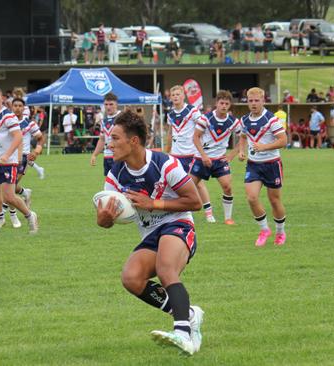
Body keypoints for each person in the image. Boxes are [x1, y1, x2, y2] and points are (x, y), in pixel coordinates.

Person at [97, 110, 203, 355]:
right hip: (151, 234)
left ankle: (183, 334)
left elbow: (194, 202)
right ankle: (188, 314)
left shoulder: (165, 164)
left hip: (179, 225)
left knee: (166, 268)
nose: (110, 144)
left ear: (133, 141)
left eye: (115, 138)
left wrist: (153, 204)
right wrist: (104, 219)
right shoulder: (115, 175)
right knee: (131, 278)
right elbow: (105, 221)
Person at [0, 88, 38, 237]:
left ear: (2, 99)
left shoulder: (8, 116)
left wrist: (7, 155)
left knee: (9, 197)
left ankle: (30, 215)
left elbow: (18, 137)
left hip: (8, 162)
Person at [238, 87, 287, 246]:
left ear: (263, 101)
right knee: (251, 198)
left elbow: (283, 140)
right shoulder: (244, 119)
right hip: (253, 165)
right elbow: (244, 137)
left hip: (272, 164)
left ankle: (280, 232)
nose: (253, 104)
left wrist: (264, 147)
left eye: (256, 100)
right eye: (250, 101)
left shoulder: (271, 119)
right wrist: (241, 151)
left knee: (274, 200)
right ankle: (264, 229)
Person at [190, 90, 241, 225]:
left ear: (230, 105)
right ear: (216, 103)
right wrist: (204, 155)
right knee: (188, 187)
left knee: (227, 187)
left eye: (226, 103)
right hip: (201, 159)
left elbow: (244, 137)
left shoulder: (233, 121)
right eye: (221, 103)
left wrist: (232, 154)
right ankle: (185, 216)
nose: (224, 106)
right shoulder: (205, 118)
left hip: (219, 160)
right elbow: (195, 137)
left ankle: (228, 218)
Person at [165, 85, 214, 222]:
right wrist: (167, 150)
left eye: (178, 94)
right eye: (173, 95)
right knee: (174, 184)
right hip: (176, 155)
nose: (175, 97)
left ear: (183, 96)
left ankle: (209, 213)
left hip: (191, 154)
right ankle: (180, 212)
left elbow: (203, 127)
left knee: (197, 184)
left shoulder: (192, 111)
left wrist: (204, 146)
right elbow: (170, 132)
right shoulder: (170, 114)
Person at [3, 98, 45, 227]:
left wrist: (36, 151)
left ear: (24, 108)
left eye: (20, 106)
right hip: (9, 158)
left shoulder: (29, 124)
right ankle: (25, 193)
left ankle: (11, 215)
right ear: (12, 107)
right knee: (11, 188)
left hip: (23, 158)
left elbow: (41, 138)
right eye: (15, 105)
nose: (17, 108)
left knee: (10, 188)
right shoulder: (6, 122)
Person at [90, 93, 121, 176]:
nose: (108, 107)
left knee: (121, 183)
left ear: (116, 104)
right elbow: (102, 139)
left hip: (119, 156)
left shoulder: (122, 117)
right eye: (106, 104)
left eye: (111, 104)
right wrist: (94, 155)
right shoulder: (103, 121)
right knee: (109, 184)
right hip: (107, 156)